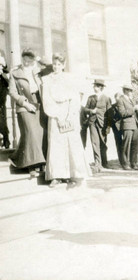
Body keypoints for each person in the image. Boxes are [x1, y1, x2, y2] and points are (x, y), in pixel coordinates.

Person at [41, 53, 92, 188]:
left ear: (63, 65)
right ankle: (56, 176)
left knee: (72, 143)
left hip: (69, 112)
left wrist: (69, 115)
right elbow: (46, 100)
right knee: (56, 144)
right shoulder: (46, 80)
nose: (56, 67)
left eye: (59, 64)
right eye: (55, 64)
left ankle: (74, 174)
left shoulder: (69, 79)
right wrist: (58, 117)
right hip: (55, 114)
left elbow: (75, 98)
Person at [8, 48, 45, 178]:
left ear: (33, 60)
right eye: (25, 58)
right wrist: (25, 103)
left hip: (38, 105)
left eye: (30, 59)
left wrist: (40, 59)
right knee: (31, 133)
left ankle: (31, 161)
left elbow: (51, 66)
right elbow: (12, 92)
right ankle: (32, 166)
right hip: (24, 105)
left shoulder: (38, 71)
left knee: (38, 134)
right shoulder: (15, 72)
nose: (26, 61)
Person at [82, 79, 112, 172]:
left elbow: (109, 113)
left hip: (102, 123)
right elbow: (85, 109)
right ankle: (97, 164)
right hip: (92, 123)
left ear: (100, 87)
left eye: (96, 86)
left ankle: (104, 163)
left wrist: (108, 126)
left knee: (103, 143)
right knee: (95, 143)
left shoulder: (106, 98)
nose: (94, 88)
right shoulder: (91, 98)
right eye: (94, 86)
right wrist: (91, 111)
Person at [116, 84, 138, 170]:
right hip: (127, 125)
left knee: (135, 144)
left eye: (131, 90)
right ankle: (125, 163)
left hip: (134, 125)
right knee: (126, 145)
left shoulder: (131, 100)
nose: (131, 92)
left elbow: (135, 113)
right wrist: (134, 108)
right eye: (129, 90)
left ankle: (133, 163)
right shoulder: (120, 100)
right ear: (125, 91)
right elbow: (122, 113)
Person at [110, 92, 125, 168]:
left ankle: (126, 160)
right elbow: (110, 117)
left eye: (118, 97)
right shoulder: (112, 106)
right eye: (116, 98)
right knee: (119, 144)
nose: (117, 99)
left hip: (124, 126)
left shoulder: (124, 105)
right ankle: (121, 161)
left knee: (126, 143)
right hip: (116, 127)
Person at [0, 51, 10, 149]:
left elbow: (7, 69)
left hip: (1, 85)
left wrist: (3, 65)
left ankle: (6, 140)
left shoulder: (2, 52)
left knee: (2, 116)